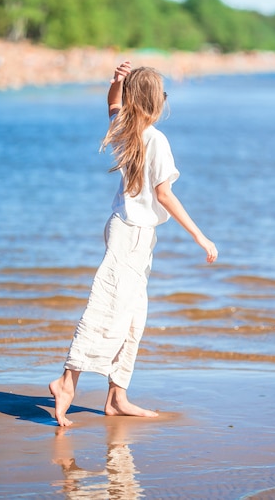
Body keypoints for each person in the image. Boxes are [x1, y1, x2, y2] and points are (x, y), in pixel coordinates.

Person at [49, 61, 218, 426]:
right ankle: (67, 381)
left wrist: (116, 83)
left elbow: (112, 105)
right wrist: (199, 235)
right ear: (155, 101)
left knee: (133, 317)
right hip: (132, 236)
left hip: (127, 231)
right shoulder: (156, 139)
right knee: (106, 308)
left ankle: (117, 396)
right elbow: (164, 194)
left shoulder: (125, 125)